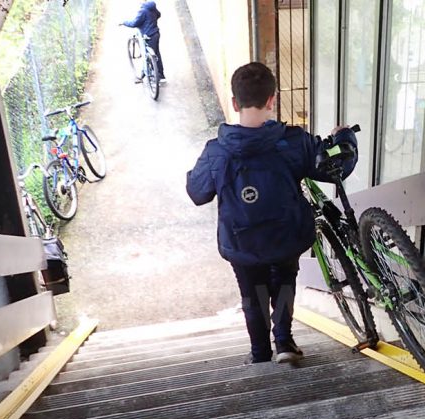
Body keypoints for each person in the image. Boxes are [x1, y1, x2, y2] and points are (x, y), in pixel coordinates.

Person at [186, 62, 357, 364]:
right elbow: (335, 167)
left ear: (235, 103)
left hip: (242, 244)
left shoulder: (217, 151)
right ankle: (284, 342)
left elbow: (197, 193)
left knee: (252, 297)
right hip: (285, 236)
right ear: (272, 100)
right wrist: (345, 138)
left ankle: (260, 354)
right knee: (284, 283)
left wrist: (202, 171)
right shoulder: (294, 142)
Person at [121, 1, 165, 83]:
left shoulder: (143, 11)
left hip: (148, 36)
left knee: (147, 56)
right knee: (156, 53)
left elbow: (134, 23)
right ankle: (160, 74)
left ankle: (145, 74)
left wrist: (124, 22)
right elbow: (159, 15)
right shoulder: (152, 7)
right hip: (156, 34)